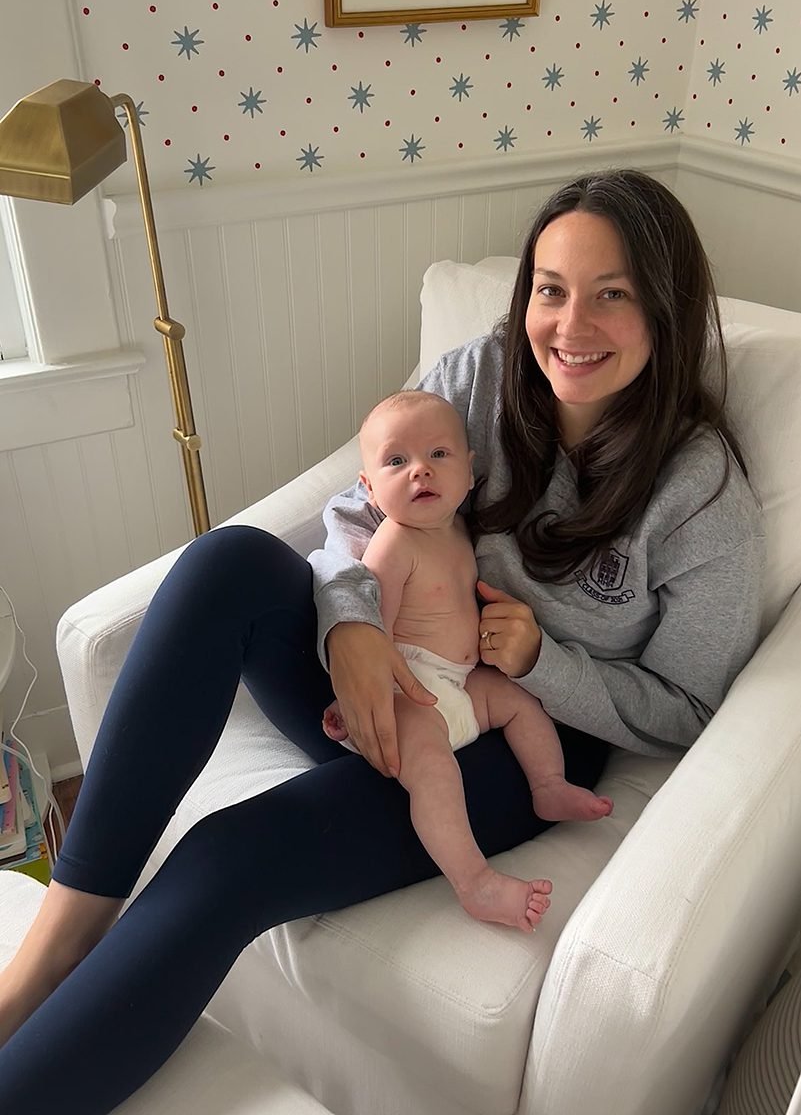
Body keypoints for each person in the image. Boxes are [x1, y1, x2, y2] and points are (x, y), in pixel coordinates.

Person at [0, 170, 763, 1115]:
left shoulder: (700, 492)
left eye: (613, 294)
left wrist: (541, 663)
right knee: (226, 562)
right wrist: (352, 624)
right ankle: (62, 937)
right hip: (383, 669)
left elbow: (690, 709)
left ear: (667, 308)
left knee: (226, 860)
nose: (570, 326)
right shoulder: (478, 377)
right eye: (551, 289)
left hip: (504, 737)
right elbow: (355, 514)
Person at [323, 388, 613, 932]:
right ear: (369, 488)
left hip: (461, 681)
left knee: (521, 700)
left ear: (471, 473)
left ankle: (548, 785)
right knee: (434, 771)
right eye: (396, 461)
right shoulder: (394, 543)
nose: (420, 471)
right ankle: (474, 882)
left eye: (439, 454)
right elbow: (370, 637)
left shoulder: (462, 530)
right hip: (408, 689)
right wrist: (350, 700)